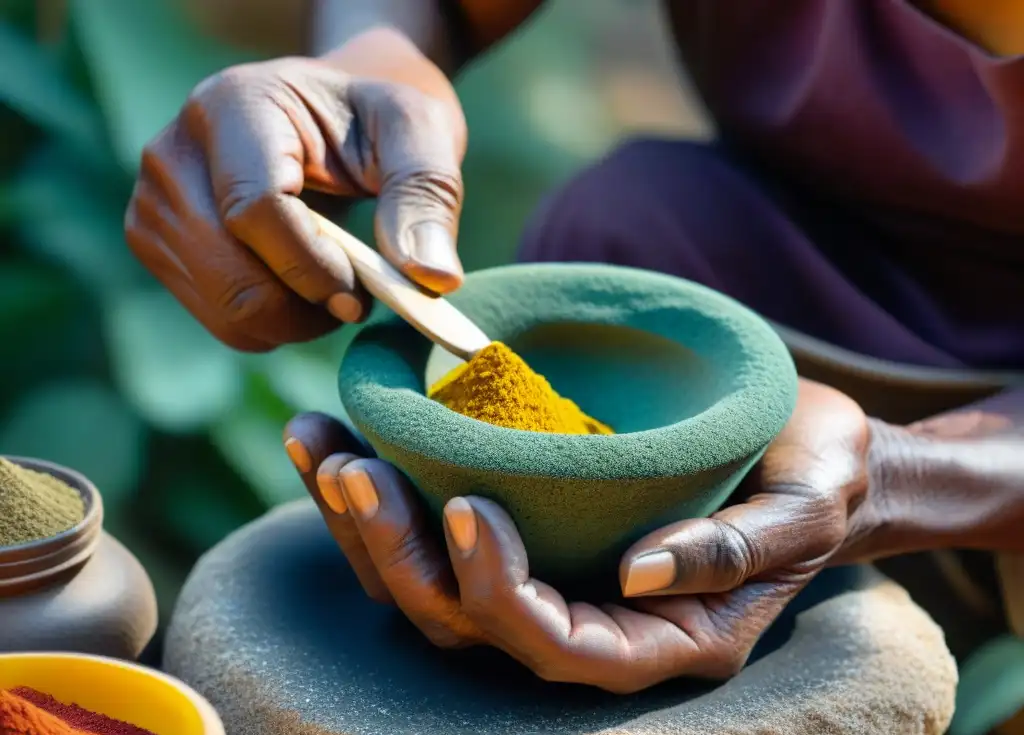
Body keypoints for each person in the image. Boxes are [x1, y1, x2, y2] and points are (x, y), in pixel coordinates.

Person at [124, 1, 1024, 694]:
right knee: (619, 224)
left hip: (999, 447)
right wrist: (368, 56)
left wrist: (901, 476)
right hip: (770, 281)